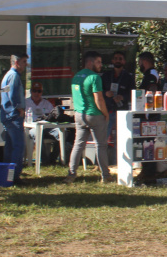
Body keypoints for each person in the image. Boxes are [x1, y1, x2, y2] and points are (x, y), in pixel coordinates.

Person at [66, 51, 112, 183]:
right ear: (90, 62)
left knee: (78, 145)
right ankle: (106, 175)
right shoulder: (94, 77)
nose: (100, 65)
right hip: (94, 115)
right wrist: (105, 113)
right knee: (101, 145)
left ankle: (71, 174)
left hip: (79, 114)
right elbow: (99, 99)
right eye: (98, 62)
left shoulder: (76, 76)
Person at [0, 53, 28, 184]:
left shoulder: (9, 75)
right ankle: (15, 175)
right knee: (18, 146)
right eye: (23, 62)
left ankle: (7, 175)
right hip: (13, 115)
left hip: (8, 115)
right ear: (16, 63)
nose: (25, 65)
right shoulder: (14, 76)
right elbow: (12, 94)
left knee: (10, 147)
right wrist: (19, 108)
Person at [102, 50, 135, 162]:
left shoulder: (129, 77)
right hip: (108, 110)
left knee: (121, 138)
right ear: (112, 60)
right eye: (116, 58)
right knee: (103, 138)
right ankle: (101, 162)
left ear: (124, 61)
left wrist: (123, 97)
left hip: (122, 111)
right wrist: (106, 94)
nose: (118, 60)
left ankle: (120, 161)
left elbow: (133, 93)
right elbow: (98, 92)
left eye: (120, 58)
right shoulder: (106, 76)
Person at [25, 82, 61, 165]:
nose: (36, 93)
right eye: (34, 91)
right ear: (31, 91)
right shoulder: (26, 102)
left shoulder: (46, 103)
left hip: (47, 127)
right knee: (37, 134)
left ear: (41, 92)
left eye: (39, 91)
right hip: (32, 127)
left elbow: (53, 115)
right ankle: (45, 160)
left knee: (62, 133)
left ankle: (53, 158)